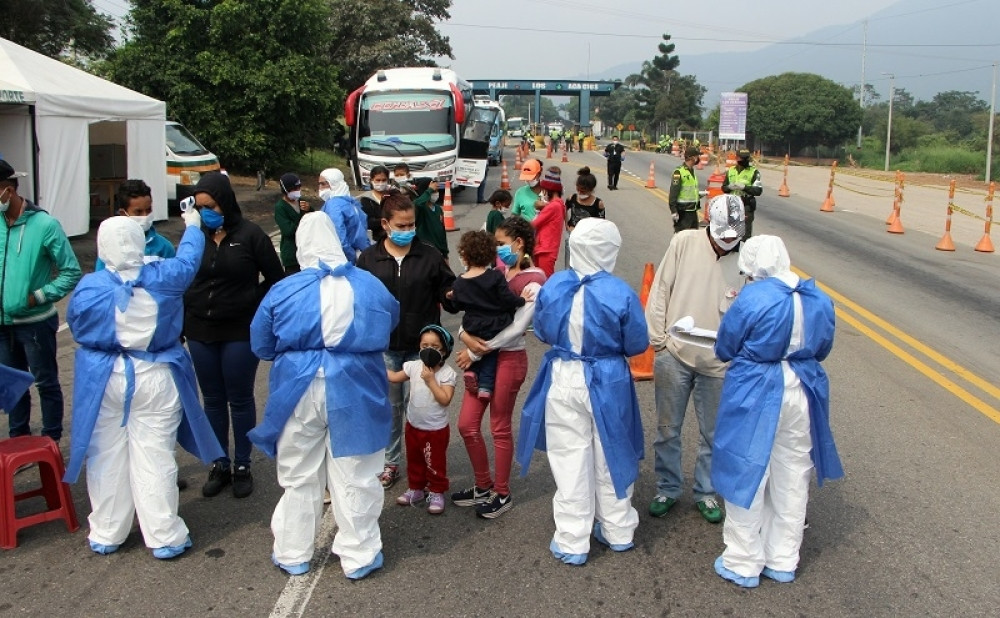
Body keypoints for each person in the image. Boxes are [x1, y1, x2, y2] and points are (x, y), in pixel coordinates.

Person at [64, 212, 224, 559]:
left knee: (105, 454)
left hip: (104, 379)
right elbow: (189, 258)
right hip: (156, 374)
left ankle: (108, 530)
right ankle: (164, 534)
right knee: (154, 455)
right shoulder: (165, 276)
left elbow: (76, 326)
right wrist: (193, 225)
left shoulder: (90, 287)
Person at [248, 213, 399, 579]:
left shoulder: (284, 289)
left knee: (299, 472)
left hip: (296, 388)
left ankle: (293, 550)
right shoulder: (370, 285)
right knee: (357, 471)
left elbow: (261, 342)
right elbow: (389, 322)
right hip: (356, 384)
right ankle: (359, 553)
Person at [711, 235, 843, 588]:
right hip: (803, 386)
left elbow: (726, 346)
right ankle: (783, 558)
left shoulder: (753, 296)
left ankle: (743, 560)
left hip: (756, 387)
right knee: (793, 473)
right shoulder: (818, 297)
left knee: (747, 469)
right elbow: (824, 347)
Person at [516, 218, 648, 565]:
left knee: (570, 456)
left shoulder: (555, 285)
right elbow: (637, 343)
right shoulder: (620, 291)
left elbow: (542, 331)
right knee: (612, 451)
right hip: (608, 376)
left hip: (564, 374)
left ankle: (573, 539)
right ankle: (618, 529)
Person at [644, 194, 747, 524]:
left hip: (717, 364)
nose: (727, 243)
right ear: (709, 222)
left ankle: (705, 491)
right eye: (723, 237)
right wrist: (658, 341)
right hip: (674, 355)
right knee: (667, 429)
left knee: (713, 435)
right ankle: (668, 486)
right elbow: (661, 289)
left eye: (733, 238)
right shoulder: (684, 242)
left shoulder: (744, 260)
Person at [184, 172, 284, 499]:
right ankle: (219, 462)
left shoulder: (251, 235)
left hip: (239, 331)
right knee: (212, 399)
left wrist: (249, 303)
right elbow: (180, 278)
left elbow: (274, 278)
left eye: (210, 206)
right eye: (199, 207)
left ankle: (242, 463)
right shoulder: (193, 236)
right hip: (200, 330)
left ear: (225, 202)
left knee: (239, 398)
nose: (204, 213)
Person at [356, 191, 457, 489]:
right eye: (401, 225)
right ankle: (391, 462)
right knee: (390, 409)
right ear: (385, 224)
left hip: (422, 350)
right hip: (385, 348)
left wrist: (453, 294)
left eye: (411, 224)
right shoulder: (368, 259)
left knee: (421, 409)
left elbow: (448, 292)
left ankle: (425, 464)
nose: (407, 230)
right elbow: (359, 304)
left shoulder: (429, 256)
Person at [452, 215, 545, 518]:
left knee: (499, 426)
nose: (497, 249)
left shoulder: (534, 280)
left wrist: (477, 352)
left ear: (519, 243)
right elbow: (469, 311)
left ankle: (501, 492)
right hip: (483, 359)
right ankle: (482, 484)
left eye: (501, 244)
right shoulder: (496, 273)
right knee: (466, 424)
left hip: (508, 358)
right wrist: (463, 335)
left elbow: (516, 328)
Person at [0, 159, 82, 443]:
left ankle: (51, 442)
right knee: (13, 385)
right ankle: (18, 440)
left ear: (7, 190)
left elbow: (71, 271)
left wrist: (39, 297)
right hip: (3, 325)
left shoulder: (45, 224)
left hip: (34, 324)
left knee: (45, 382)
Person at [388, 325, 456, 515]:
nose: (428, 350)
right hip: (413, 426)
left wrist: (431, 380)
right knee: (415, 459)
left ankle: (436, 491)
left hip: (435, 430)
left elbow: (445, 400)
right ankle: (416, 488)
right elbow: (394, 377)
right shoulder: (413, 366)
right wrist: (374, 364)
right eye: (424, 345)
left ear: (444, 351)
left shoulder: (447, 373)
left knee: (435, 462)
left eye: (435, 346)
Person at [451, 230, 526, 401]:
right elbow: (507, 298)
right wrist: (521, 300)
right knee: (490, 353)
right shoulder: (494, 276)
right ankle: (485, 384)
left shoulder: (460, 281)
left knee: (476, 344)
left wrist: (453, 296)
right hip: (494, 322)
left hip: (472, 324)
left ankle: (471, 372)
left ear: (466, 255)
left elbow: (457, 305)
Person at [95, 179, 175, 271]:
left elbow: (172, 281)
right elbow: (101, 279)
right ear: (123, 213)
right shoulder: (111, 245)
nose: (145, 216)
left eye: (148, 210)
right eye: (138, 212)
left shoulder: (164, 247)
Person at [318, 167, 370, 263]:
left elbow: (339, 237)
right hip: (361, 253)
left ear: (333, 183)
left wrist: (351, 257)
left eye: (323, 184)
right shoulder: (351, 202)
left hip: (344, 258)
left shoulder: (333, 205)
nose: (320, 188)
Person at [531, 166, 565, 278]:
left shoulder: (553, 206)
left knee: (545, 281)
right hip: (546, 249)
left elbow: (533, 224)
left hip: (545, 250)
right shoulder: (558, 204)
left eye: (544, 190)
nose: (543, 192)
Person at [722, 149, 763, 240]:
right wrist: (729, 187)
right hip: (732, 206)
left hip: (746, 206)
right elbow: (723, 188)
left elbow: (758, 190)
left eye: (746, 158)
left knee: (744, 236)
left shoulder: (754, 172)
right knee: (730, 234)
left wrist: (745, 188)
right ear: (737, 158)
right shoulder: (731, 171)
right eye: (742, 158)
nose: (744, 160)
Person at [274, 172, 308, 275]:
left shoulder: (302, 202)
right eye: (294, 189)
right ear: (286, 190)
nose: (297, 191)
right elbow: (288, 230)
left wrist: (308, 209)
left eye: (298, 188)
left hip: (306, 251)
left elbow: (313, 220)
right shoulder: (280, 207)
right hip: (292, 255)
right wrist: (303, 218)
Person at [669, 147, 707, 232]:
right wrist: (673, 211)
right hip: (683, 212)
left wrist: (698, 195)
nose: (698, 159)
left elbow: (689, 190)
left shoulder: (691, 171)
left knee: (693, 239)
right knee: (682, 239)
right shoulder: (679, 172)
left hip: (693, 211)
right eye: (697, 156)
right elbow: (673, 193)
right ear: (691, 157)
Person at [412, 177, 449, 260]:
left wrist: (445, 254)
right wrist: (429, 190)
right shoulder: (421, 208)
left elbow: (442, 233)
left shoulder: (438, 209)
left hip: (439, 253)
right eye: (434, 191)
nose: (436, 193)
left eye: (436, 191)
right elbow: (417, 204)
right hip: (425, 253)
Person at [358, 165, 391, 242]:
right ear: (371, 180)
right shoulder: (365, 199)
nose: (381, 183)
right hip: (376, 238)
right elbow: (368, 222)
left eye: (383, 180)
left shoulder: (393, 195)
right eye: (378, 180)